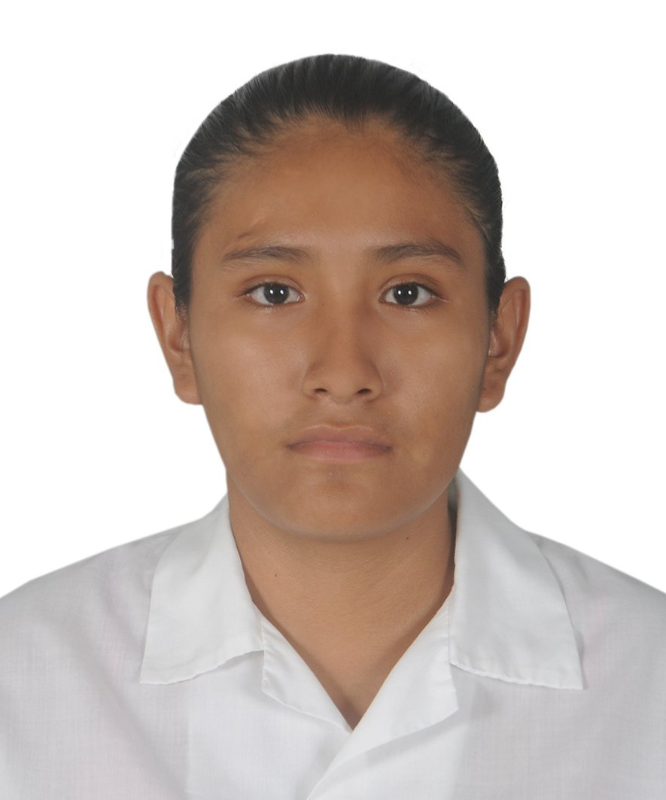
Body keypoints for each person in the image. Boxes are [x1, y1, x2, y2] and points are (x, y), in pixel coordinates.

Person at [1, 53, 664, 799]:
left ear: (498, 340)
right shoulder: (22, 681)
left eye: (408, 293)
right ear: (178, 336)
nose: (344, 372)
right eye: (274, 292)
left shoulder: (649, 682)